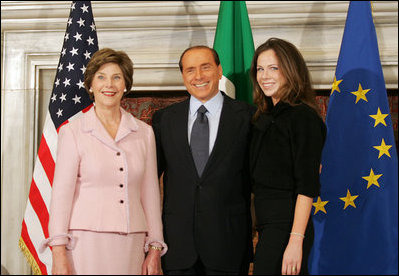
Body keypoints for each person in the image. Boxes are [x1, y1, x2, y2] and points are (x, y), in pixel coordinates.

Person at [40, 48, 166, 275]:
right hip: (84, 243)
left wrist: (155, 247)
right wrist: (58, 252)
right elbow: (61, 196)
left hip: (131, 243)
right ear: (90, 85)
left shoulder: (144, 133)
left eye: (117, 77)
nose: (109, 84)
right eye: (101, 77)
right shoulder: (72, 132)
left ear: (126, 85)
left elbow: (150, 194)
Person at [152, 46, 254, 275]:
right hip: (177, 248)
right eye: (190, 70)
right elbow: (148, 181)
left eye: (205, 67)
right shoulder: (165, 119)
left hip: (228, 245)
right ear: (183, 76)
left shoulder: (248, 117)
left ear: (219, 70)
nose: (198, 76)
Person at [249, 38, 326, 275]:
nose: (265, 76)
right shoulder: (264, 118)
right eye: (260, 69)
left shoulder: (303, 117)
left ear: (290, 71)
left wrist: (295, 241)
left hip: (288, 228)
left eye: (274, 68)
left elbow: (307, 185)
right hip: (267, 225)